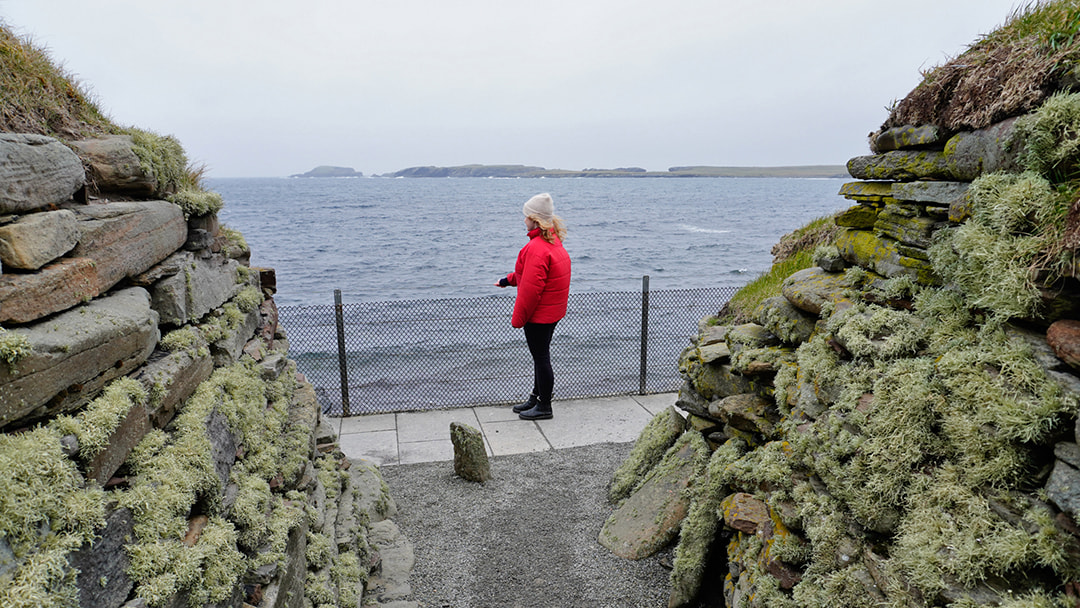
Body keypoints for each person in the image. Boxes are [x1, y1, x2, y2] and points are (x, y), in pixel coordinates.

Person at [494, 193, 571, 420]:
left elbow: (530, 291)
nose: (524, 219)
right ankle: (536, 397)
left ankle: (544, 406)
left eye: (526, 216)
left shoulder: (536, 247)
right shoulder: (552, 241)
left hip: (539, 316)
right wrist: (508, 280)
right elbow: (528, 275)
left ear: (535, 220)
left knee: (541, 359)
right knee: (541, 356)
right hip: (553, 312)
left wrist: (518, 319)